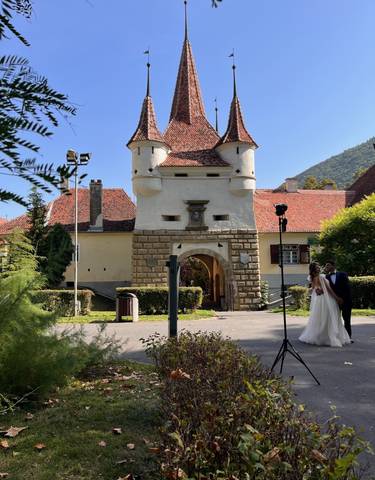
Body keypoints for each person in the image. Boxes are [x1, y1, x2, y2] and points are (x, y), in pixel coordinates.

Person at [299, 262, 351, 347]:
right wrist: (337, 298)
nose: (319, 268)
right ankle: (328, 337)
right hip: (327, 300)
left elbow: (314, 289)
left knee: (323, 318)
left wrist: (318, 290)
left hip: (320, 301)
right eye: (317, 267)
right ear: (313, 269)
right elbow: (329, 290)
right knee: (330, 318)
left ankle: (322, 336)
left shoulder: (314, 278)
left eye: (319, 266)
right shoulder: (321, 277)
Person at [325, 260, 353, 342]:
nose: (327, 267)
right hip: (334, 302)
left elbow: (347, 288)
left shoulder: (343, 274)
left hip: (346, 301)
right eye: (326, 266)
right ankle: (337, 337)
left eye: (328, 265)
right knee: (335, 320)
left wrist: (342, 299)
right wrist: (336, 299)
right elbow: (328, 290)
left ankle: (348, 338)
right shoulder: (326, 277)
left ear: (333, 266)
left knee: (347, 319)